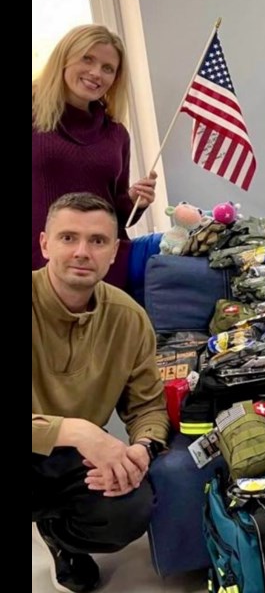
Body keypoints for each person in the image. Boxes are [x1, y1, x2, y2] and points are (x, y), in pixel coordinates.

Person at [32, 193, 169, 593]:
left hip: (79, 460)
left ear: (114, 252)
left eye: (97, 241)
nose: (81, 252)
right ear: (44, 244)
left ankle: (61, 539)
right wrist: (78, 431)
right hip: (63, 442)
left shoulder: (129, 318)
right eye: (68, 238)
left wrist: (142, 448)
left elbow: (148, 406)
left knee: (129, 509)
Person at [33, 24, 158, 291]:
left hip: (102, 274)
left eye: (108, 68)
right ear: (64, 58)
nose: (95, 73)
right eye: (87, 59)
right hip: (41, 268)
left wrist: (135, 201)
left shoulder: (116, 134)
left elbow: (116, 214)